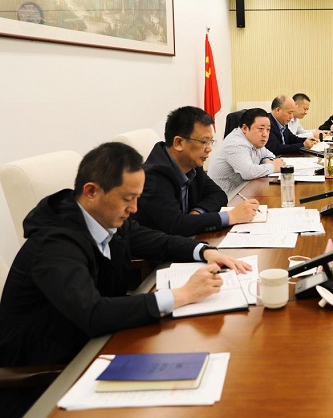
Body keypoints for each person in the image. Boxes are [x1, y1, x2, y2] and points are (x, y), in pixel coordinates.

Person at [0, 143, 251, 416]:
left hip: (99, 345)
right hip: (49, 377)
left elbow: (158, 241)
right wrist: (182, 295)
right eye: (127, 198)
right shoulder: (55, 244)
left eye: (137, 198)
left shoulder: (105, 219)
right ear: (91, 192)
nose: (134, 208)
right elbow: (93, 313)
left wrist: (204, 251)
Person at [134, 107, 260, 236]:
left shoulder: (191, 164)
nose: (209, 149)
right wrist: (230, 217)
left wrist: (197, 213)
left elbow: (218, 195)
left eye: (210, 142)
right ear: (178, 143)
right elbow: (176, 226)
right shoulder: (153, 176)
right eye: (204, 142)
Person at [209, 108, 286, 196]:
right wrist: (272, 166)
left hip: (244, 191)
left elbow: (269, 155)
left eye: (268, 129)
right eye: (261, 129)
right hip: (226, 198)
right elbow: (249, 173)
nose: (265, 134)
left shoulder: (254, 140)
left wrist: (267, 162)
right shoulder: (235, 144)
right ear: (245, 128)